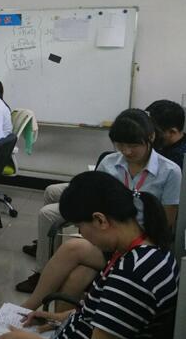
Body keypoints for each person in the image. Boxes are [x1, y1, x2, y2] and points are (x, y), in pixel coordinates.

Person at [0, 171, 178, 339]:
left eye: (80, 226)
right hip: (69, 330)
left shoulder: (132, 276)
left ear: (100, 220)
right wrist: (57, 317)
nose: (82, 234)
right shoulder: (144, 248)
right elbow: (102, 315)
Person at [16, 108, 181, 294]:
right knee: (74, 278)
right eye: (120, 144)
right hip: (104, 237)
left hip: (137, 244)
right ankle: (41, 300)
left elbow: (165, 223)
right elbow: (92, 201)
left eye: (133, 145)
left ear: (151, 137)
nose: (126, 151)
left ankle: (36, 298)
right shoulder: (110, 162)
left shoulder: (170, 172)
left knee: (73, 258)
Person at [146, 99, 186, 169]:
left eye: (154, 131)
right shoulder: (160, 145)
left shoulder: (180, 158)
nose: (149, 134)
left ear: (172, 132)